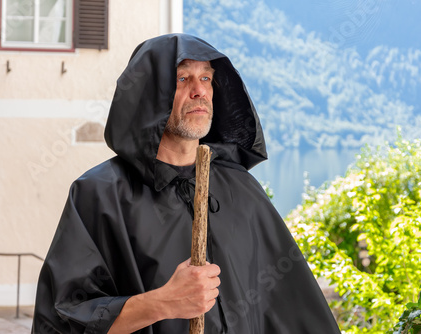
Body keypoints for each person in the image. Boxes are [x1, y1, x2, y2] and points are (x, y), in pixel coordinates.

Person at [32, 33, 341, 334]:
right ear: (148, 96)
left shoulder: (242, 191)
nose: (199, 91)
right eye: (182, 79)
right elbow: (65, 319)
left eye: (206, 78)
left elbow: (290, 309)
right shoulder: (98, 195)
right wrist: (162, 303)